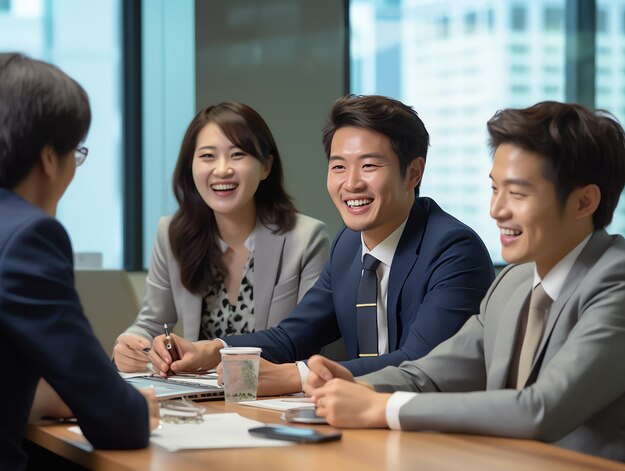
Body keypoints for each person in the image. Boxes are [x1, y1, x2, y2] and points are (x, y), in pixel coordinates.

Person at [305, 101, 625, 462]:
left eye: (517, 193)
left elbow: (540, 409)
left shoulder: (617, 282)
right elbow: (427, 375)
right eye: (494, 189)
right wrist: (352, 385)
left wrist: (384, 408)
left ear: (584, 201)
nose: (496, 210)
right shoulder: (515, 282)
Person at [149, 94, 495, 395]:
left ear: (414, 173)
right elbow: (293, 336)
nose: (351, 183)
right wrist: (212, 350)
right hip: (362, 420)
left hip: (437, 433)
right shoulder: (348, 244)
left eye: (370, 166)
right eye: (339, 166)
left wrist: (296, 376)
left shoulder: (453, 249)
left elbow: (420, 362)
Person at [0, 53, 158, 471]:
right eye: (77, 152)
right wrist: (128, 407)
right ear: (49, 158)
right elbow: (118, 422)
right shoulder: (28, 237)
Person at [114, 101, 329, 372]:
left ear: (265, 167)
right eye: (207, 156)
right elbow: (152, 323)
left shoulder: (306, 238)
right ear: (190, 167)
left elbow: (306, 338)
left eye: (238, 154)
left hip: (272, 394)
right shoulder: (172, 234)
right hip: (196, 397)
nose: (222, 169)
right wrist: (134, 345)